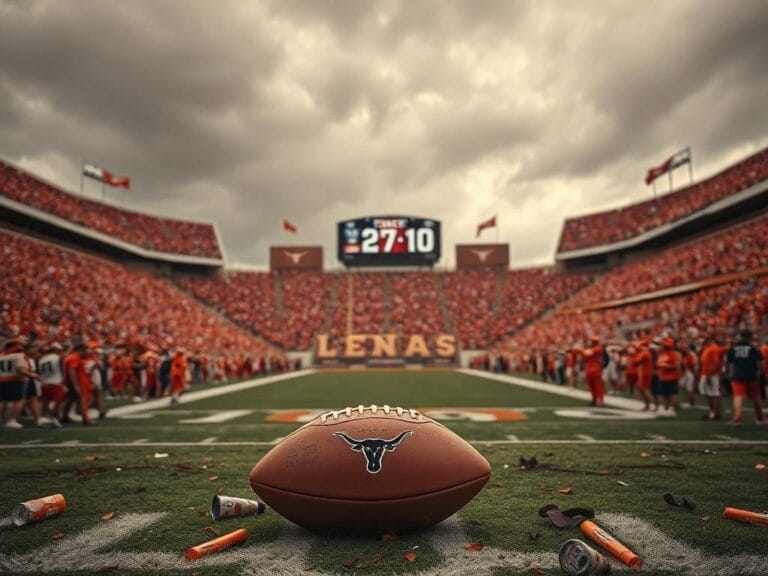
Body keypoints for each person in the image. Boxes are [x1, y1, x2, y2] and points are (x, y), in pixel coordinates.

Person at [0, 336, 42, 428]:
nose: (22, 347)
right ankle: (12, 420)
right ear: (14, 346)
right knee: (19, 400)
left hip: (2, 380)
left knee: (2, 401)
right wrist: (33, 375)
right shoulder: (19, 355)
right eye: (20, 345)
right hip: (15, 380)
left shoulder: (1, 355)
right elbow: (21, 370)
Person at [725, 329, 765, 425]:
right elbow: (759, 362)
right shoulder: (752, 348)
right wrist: (761, 372)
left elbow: (727, 361)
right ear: (750, 337)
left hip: (737, 375)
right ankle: (760, 418)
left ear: (740, 336)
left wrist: (727, 372)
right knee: (756, 397)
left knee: (738, 397)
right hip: (752, 375)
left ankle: (737, 419)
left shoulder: (734, 347)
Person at [699, 334, 724, 421]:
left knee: (714, 393)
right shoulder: (708, 347)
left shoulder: (714, 348)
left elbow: (716, 362)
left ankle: (715, 413)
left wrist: (710, 374)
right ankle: (712, 412)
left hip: (711, 374)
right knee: (707, 392)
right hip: (706, 373)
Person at [656, 337, 681, 414]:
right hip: (663, 377)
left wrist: (665, 365)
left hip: (671, 377)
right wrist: (659, 365)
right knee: (664, 394)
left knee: (672, 393)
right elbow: (658, 363)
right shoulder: (662, 354)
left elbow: (676, 366)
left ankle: (672, 409)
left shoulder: (674, 354)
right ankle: (666, 408)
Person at [577, 336, 605, 407]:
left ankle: (599, 400)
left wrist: (580, 350)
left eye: (590, 341)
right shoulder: (593, 348)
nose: (589, 342)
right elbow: (585, 356)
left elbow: (586, 354)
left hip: (595, 369)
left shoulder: (597, 348)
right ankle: (594, 399)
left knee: (598, 386)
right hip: (590, 369)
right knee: (591, 386)